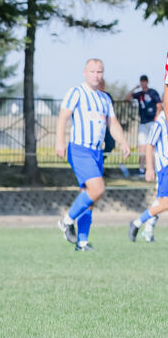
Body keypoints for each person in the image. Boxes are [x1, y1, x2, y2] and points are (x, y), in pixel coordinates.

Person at [56, 59, 131, 251]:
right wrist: (59, 141)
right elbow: (63, 117)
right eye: (92, 71)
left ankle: (82, 242)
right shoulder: (76, 92)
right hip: (80, 149)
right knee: (97, 189)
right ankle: (66, 221)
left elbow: (112, 124)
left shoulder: (104, 99)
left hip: (97, 152)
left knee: (89, 197)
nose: (96, 75)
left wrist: (123, 142)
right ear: (84, 72)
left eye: (99, 72)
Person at [129, 112, 168, 242]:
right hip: (164, 168)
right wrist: (150, 168)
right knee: (164, 203)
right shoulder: (160, 123)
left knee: (161, 202)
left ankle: (144, 228)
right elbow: (149, 145)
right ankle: (139, 223)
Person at [125, 75, 163, 175]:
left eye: (144, 81)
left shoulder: (152, 92)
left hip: (152, 122)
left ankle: (154, 169)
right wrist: (134, 88)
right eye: (141, 81)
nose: (143, 83)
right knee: (142, 146)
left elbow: (159, 105)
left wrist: (156, 116)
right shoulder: (139, 94)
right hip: (143, 123)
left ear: (147, 82)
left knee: (152, 146)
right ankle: (141, 169)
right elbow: (127, 98)